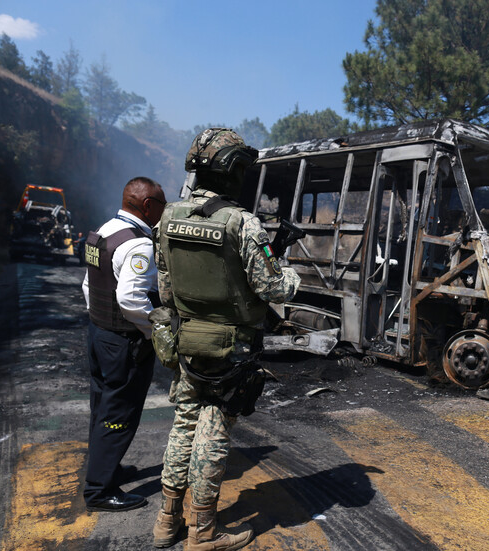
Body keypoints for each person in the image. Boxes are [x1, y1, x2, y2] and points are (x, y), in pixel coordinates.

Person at [151, 128, 300, 550]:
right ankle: (203, 531)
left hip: (186, 340)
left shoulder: (168, 217)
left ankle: (166, 520)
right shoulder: (242, 223)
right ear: (233, 172)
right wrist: (290, 273)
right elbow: (275, 289)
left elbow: (165, 290)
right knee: (213, 430)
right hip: (230, 348)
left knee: (184, 423)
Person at [81, 176, 166, 511]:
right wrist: (152, 331)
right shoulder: (139, 245)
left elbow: (89, 285)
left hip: (99, 333)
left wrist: (100, 321)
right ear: (147, 206)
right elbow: (131, 299)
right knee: (119, 413)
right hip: (123, 342)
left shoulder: (103, 231)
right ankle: (99, 491)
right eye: (161, 205)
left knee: (102, 406)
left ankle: (106, 468)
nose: (163, 211)